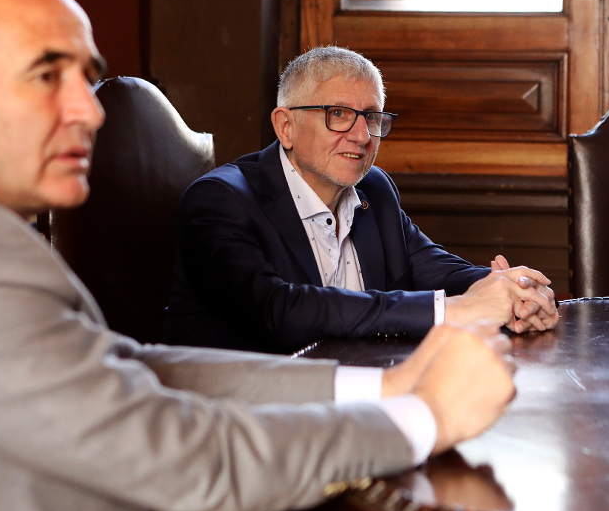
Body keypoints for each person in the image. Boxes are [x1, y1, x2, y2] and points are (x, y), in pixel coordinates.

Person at [0, 0, 517, 511]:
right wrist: (423, 418)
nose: (89, 111)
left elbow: (137, 369)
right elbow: (182, 453)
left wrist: (376, 386)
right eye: (46, 75)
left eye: (87, 78)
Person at [167, 46, 560, 354]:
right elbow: (278, 310)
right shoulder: (219, 200)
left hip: (362, 395)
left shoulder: (374, 188)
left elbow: (435, 268)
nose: (361, 136)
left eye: (371, 117)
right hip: (244, 414)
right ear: (286, 126)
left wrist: (512, 290)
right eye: (338, 114)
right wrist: (452, 310)